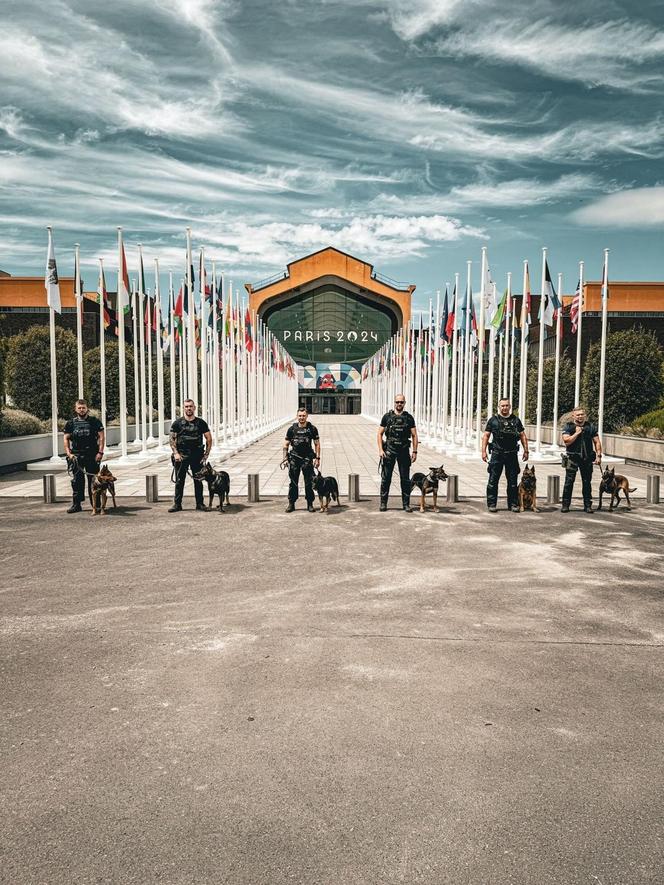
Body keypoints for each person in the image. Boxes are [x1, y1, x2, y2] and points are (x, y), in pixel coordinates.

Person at [482, 398, 529, 513]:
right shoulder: (493, 420)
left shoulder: (516, 420)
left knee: (512, 482)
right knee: (493, 481)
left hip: (511, 454)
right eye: (502, 406)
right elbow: (486, 436)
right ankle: (492, 504)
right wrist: (483, 451)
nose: (504, 408)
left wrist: (526, 450)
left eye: (507, 405)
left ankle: (513, 504)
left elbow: (522, 435)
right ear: (499, 407)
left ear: (510, 406)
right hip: (497, 454)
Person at [168, 399, 212, 512]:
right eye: (186, 406)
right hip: (182, 456)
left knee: (198, 480)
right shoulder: (177, 423)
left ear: (194, 408)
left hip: (197, 456)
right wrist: (176, 453)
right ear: (184, 408)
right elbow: (172, 439)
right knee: (179, 481)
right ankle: (177, 504)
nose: (189, 408)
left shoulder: (201, 423)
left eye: (191, 406)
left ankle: (200, 504)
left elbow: (209, 438)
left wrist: (206, 455)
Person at [63, 399, 105, 513]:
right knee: (77, 482)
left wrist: (100, 452)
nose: (81, 410)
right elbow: (66, 439)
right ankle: (76, 505)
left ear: (87, 408)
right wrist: (69, 453)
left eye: (83, 408)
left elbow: (101, 437)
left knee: (94, 481)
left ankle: (96, 505)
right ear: (75, 409)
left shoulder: (95, 421)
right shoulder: (70, 423)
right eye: (79, 408)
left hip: (92, 455)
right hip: (76, 456)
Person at [377, 394, 418, 512]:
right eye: (397, 402)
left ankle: (406, 504)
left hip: (404, 451)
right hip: (389, 451)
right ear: (394, 403)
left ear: (404, 403)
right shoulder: (387, 417)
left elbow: (414, 435)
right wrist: (380, 450)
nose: (399, 404)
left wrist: (415, 451)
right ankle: (383, 503)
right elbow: (379, 433)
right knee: (386, 479)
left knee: (405, 480)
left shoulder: (409, 418)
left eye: (401, 402)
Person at [561, 407, 602, 513]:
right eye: (578, 415)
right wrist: (577, 433)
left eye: (582, 414)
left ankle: (588, 505)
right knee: (569, 482)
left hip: (587, 459)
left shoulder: (590, 427)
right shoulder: (569, 426)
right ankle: (565, 505)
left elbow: (597, 441)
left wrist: (599, 456)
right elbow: (566, 441)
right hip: (573, 458)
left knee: (587, 482)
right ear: (573, 416)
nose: (580, 416)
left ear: (585, 415)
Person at [283, 407, 320, 512]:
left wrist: (317, 458)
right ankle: (291, 503)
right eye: (300, 416)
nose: (301, 417)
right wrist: (285, 458)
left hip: (307, 459)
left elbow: (317, 444)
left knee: (309, 482)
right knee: (293, 482)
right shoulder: (291, 429)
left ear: (307, 416)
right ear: (297, 416)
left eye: (303, 415)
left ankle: (310, 503)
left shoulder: (312, 429)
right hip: (294, 458)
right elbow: (285, 444)